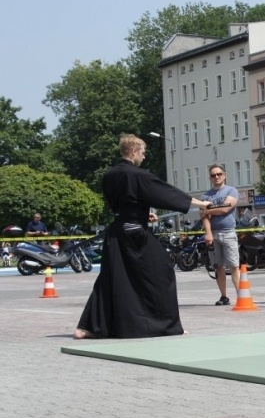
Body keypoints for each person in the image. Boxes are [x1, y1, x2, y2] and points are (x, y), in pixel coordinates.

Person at [74, 134, 211, 339]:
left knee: (112, 278)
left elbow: (124, 203)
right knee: (162, 270)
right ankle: (167, 325)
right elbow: (167, 193)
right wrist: (201, 204)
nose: (144, 157)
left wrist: (142, 212)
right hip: (135, 234)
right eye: (143, 153)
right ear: (133, 151)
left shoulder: (109, 175)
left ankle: (89, 328)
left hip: (117, 231)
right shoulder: (137, 175)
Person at [200, 165, 240, 306]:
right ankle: (224, 296)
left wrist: (208, 210)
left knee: (234, 265)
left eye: (219, 174)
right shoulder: (206, 196)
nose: (216, 177)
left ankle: (240, 295)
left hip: (229, 232)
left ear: (224, 175)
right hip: (214, 234)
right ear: (210, 178)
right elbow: (204, 217)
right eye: (213, 175)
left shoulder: (232, 190)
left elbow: (225, 209)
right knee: (218, 267)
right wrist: (208, 233)